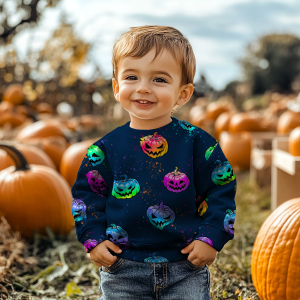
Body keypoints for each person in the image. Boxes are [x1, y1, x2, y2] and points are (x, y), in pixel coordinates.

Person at [71, 25, 237, 300]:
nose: (143, 88)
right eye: (132, 76)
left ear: (183, 94)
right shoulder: (105, 149)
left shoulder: (197, 144)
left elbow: (220, 190)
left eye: (159, 79)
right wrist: (93, 238)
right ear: (116, 87)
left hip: (185, 267)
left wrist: (211, 237)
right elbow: (87, 197)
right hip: (122, 268)